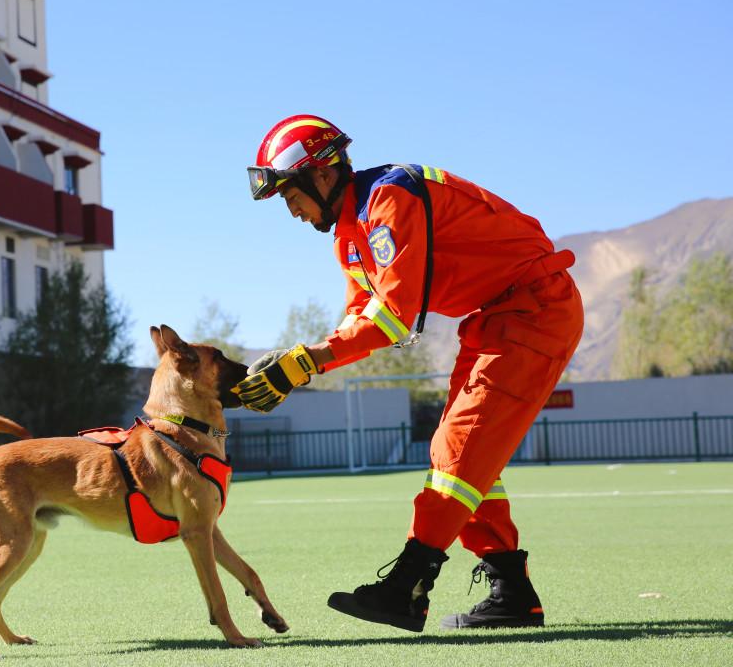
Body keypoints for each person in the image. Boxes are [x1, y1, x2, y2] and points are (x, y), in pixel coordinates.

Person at [235, 114, 584, 632]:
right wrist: (298, 367)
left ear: (323, 175)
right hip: (496, 317)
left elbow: (394, 317)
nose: (292, 212)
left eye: (291, 197)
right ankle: (511, 588)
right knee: (464, 454)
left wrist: (304, 362)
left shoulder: (389, 198)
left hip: (533, 307)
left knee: (458, 451)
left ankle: (407, 587)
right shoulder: (350, 236)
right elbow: (360, 320)